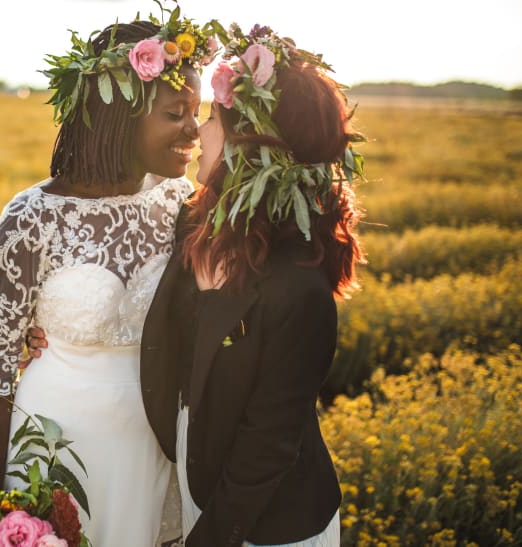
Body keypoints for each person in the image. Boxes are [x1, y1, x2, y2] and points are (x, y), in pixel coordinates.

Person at [0, 9, 217, 546]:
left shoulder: (184, 203)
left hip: (154, 447)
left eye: (198, 112)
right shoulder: (29, 217)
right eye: (177, 113)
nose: (195, 130)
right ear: (122, 116)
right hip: (54, 446)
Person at [139, 23, 366, 546]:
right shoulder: (193, 222)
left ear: (253, 147)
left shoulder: (298, 288)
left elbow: (269, 445)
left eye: (213, 120)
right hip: (197, 476)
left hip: (271, 523)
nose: (198, 134)